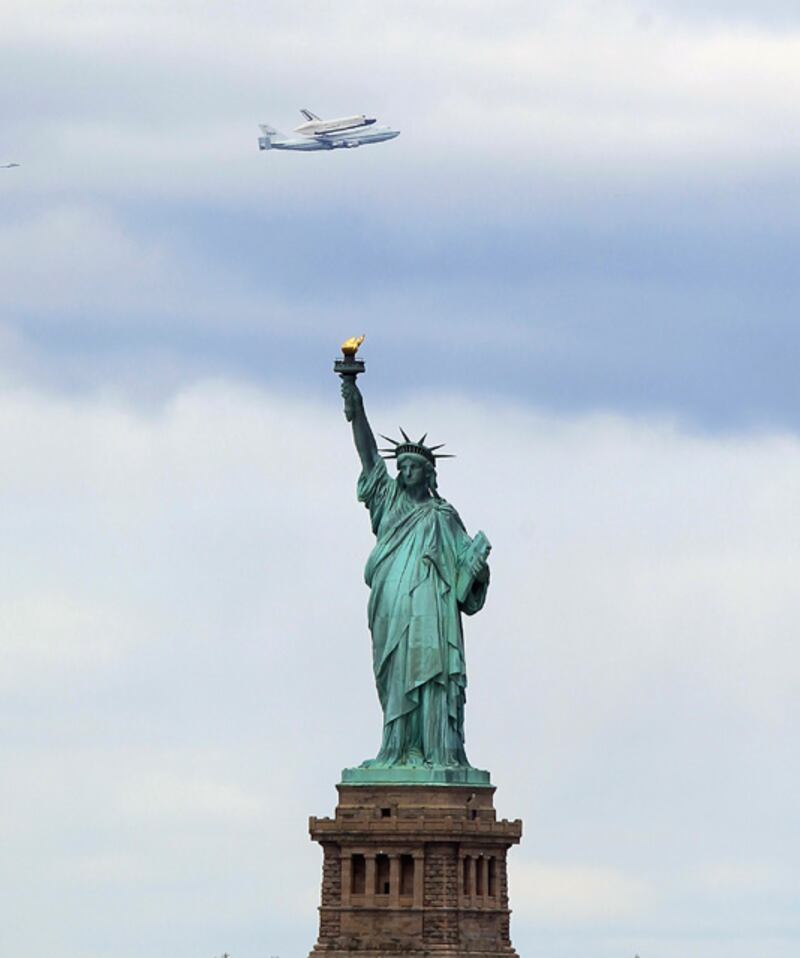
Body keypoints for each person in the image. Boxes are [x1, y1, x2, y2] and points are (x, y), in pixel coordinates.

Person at [341, 376, 490, 769]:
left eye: (413, 467)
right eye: (401, 466)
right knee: (395, 672)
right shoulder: (387, 499)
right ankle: (397, 748)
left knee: (431, 676)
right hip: (392, 603)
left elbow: (464, 575)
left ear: (428, 474)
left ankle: (437, 749)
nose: (404, 472)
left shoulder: (443, 516)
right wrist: (355, 403)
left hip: (432, 611)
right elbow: (368, 454)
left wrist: (478, 565)